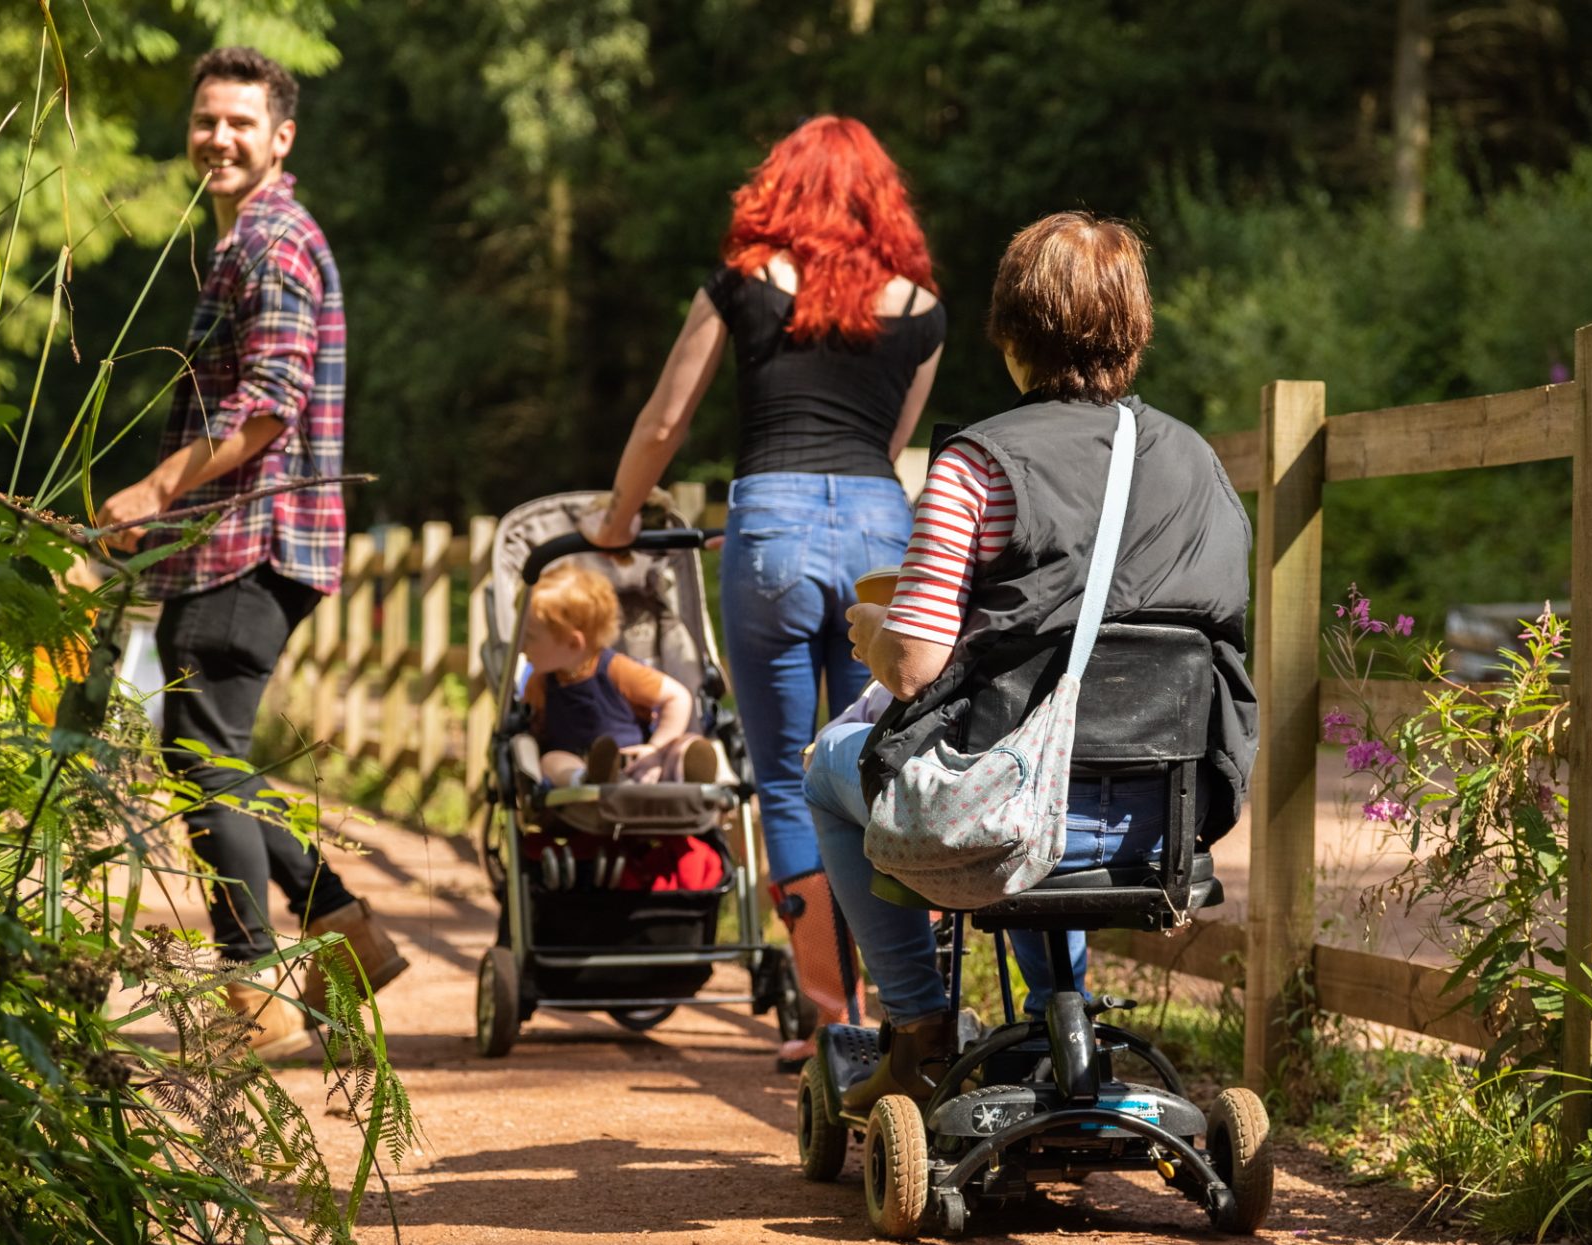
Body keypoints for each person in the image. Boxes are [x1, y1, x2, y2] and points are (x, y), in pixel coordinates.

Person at [802, 212, 1257, 1108]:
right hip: (1159, 827)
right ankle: (1064, 1019)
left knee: (827, 767)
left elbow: (913, 669)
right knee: (1048, 764)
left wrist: (871, 635)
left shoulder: (979, 464)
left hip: (1010, 814)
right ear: (1135, 331)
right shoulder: (1200, 463)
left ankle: (917, 1027)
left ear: (1013, 336)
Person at [584, 116, 946, 1070]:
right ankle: (909, 1004)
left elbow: (666, 418)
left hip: (774, 523)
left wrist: (617, 520)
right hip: (880, 522)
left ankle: (833, 1018)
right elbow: (893, 443)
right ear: (884, 198)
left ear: (777, 189)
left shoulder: (741, 282)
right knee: (877, 750)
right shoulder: (922, 306)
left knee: (787, 774)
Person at [94, 47, 406, 1060]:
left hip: (252, 534)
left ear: (282, 137)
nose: (217, 138)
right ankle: (348, 930)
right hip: (230, 537)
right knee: (209, 755)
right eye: (205, 121)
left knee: (195, 753)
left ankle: (254, 989)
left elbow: (267, 407)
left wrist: (154, 487)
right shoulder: (246, 239)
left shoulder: (272, 241)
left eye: (240, 122)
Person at [520, 565, 720, 786]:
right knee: (552, 760)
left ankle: (689, 773)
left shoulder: (616, 669)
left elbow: (678, 697)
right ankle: (586, 779)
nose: (521, 646)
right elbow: (533, 730)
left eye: (529, 637)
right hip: (582, 764)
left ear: (573, 643)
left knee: (685, 744)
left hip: (640, 765)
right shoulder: (540, 684)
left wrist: (655, 748)